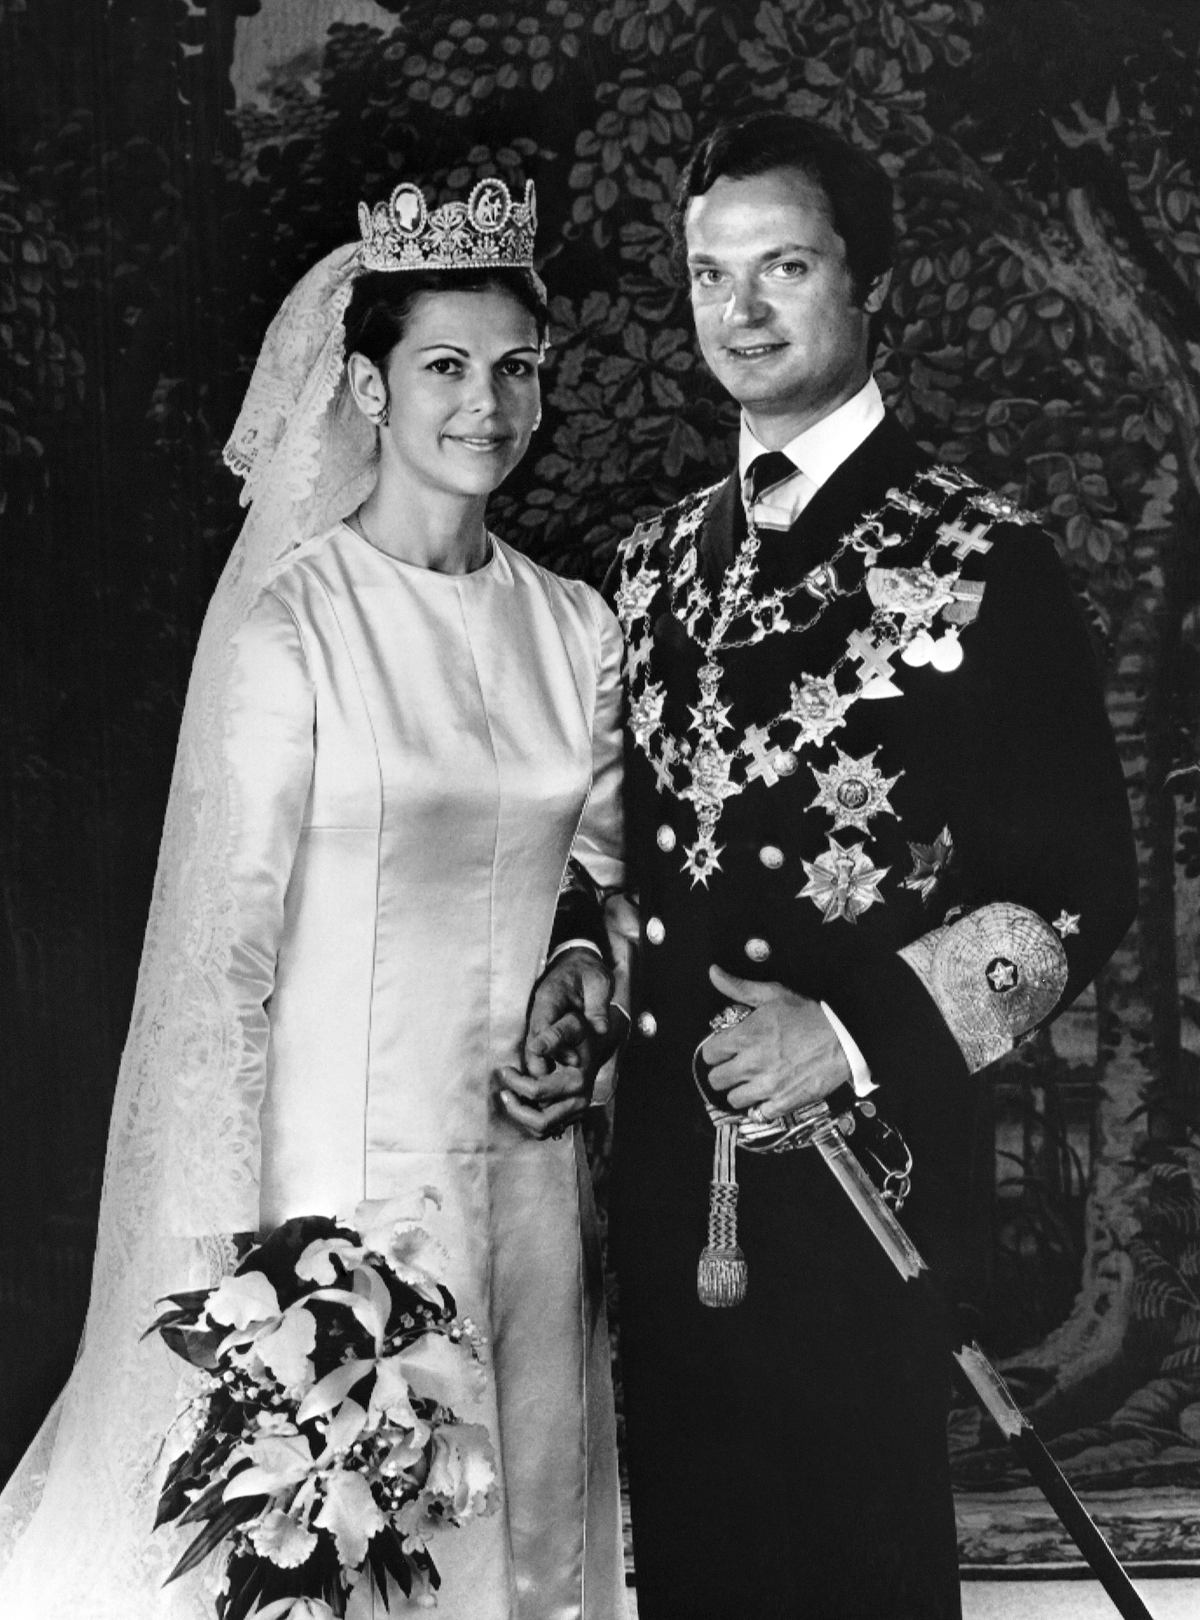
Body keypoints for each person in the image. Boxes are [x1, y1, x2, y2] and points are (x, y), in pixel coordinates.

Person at [535, 113, 1138, 1618]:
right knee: (697, 1563)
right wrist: (576, 959)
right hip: (672, 1183)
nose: (737, 312)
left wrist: (850, 1034)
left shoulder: (988, 558)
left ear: (872, 284)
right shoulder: (653, 563)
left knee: (851, 1570)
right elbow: (603, 846)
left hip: (870, 1179)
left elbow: (1076, 889)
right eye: (708, 275)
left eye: (783, 267)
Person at [0, 177, 627, 1619]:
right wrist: (249, 1262)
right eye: (447, 368)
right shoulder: (296, 627)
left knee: (526, 1543)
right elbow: (222, 961)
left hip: (530, 1178)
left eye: (518, 369)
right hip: (338, 1195)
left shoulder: (575, 626)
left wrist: (586, 976)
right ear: (367, 383)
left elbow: (607, 875)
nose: (490, 406)